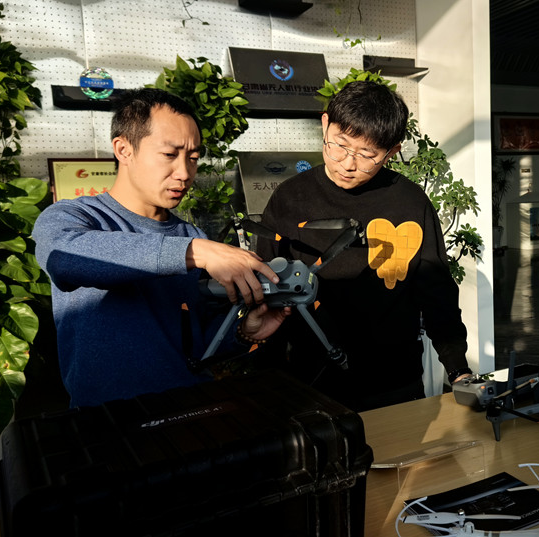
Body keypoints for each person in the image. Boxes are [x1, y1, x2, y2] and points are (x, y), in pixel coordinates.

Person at [34, 88, 289, 408]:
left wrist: (243, 331)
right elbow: (63, 258)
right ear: (124, 149)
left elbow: (195, 343)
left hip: (190, 412)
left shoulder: (189, 234)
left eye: (193, 158)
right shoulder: (75, 217)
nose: (184, 173)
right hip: (107, 422)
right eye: (169, 154)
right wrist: (196, 252)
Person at [255, 81, 472, 411]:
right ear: (325, 124)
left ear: (391, 152)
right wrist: (268, 377)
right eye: (339, 146)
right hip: (311, 381)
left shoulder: (411, 203)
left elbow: (437, 293)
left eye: (367, 155)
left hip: (395, 383)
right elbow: (267, 290)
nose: (347, 163)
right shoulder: (290, 198)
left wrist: (458, 370)